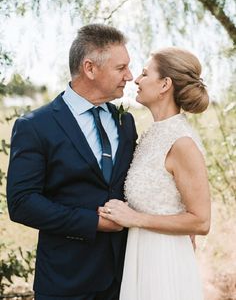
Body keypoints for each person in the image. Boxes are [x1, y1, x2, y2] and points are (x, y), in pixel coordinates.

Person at [7, 24, 138, 300]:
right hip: (66, 282)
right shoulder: (35, 126)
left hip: (125, 278)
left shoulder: (125, 121)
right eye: (121, 68)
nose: (130, 76)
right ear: (90, 68)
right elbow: (22, 203)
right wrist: (93, 222)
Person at [99, 47, 211, 300]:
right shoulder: (152, 134)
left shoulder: (182, 142)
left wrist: (134, 218)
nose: (136, 80)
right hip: (140, 255)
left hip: (164, 261)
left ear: (165, 85)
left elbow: (201, 221)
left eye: (145, 74)